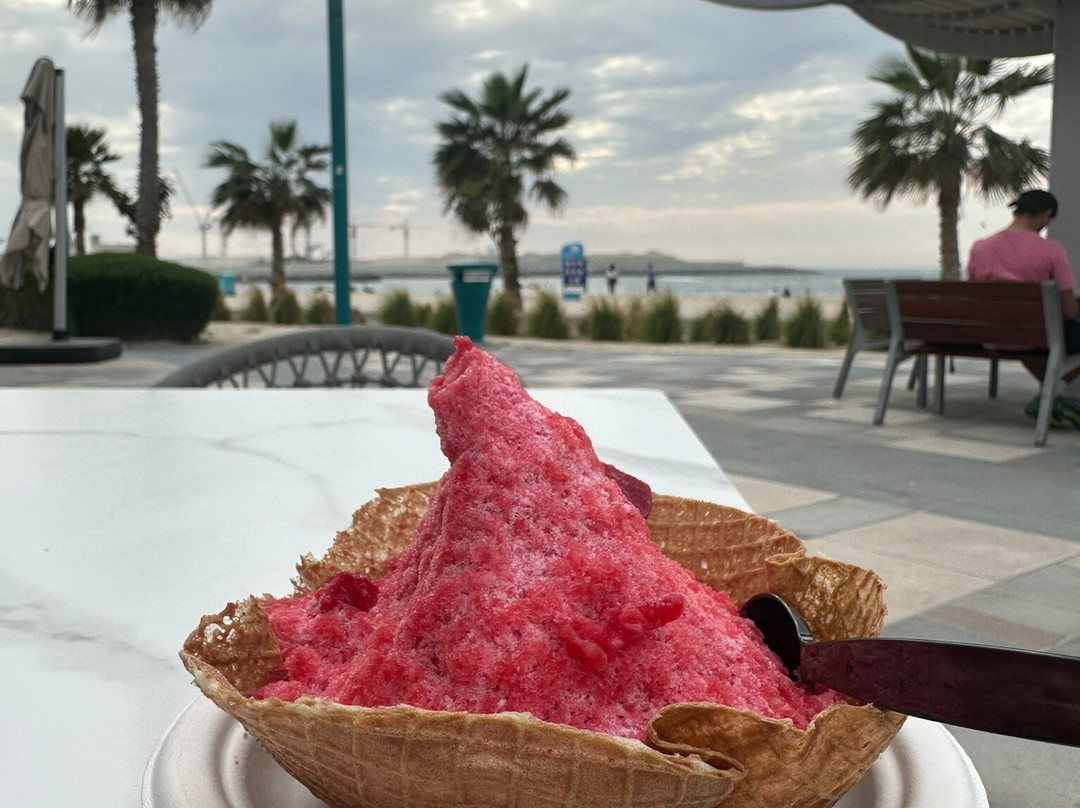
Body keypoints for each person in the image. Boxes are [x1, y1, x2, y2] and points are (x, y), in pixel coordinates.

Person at [965, 189, 1080, 425]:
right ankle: (1061, 392)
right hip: (1035, 337)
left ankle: (1057, 392)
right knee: (1063, 333)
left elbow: (973, 295)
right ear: (1046, 214)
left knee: (1041, 335)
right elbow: (1070, 309)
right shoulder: (1052, 250)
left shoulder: (980, 247)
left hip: (990, 334)